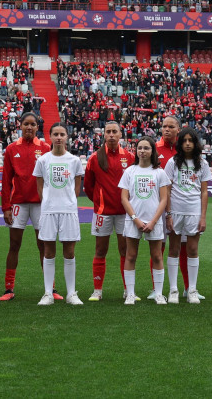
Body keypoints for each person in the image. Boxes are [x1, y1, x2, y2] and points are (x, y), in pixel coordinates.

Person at [1, 112, 57, 302]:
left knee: (44, 245)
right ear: (20, 125)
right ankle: (9, 288)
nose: (29, 127)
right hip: (18, 203)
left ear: (37, 127)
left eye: (33, 124)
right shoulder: (11, 149)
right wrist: (6, 207)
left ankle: (50, 288)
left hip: (40, 204)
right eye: (26, 124)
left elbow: (49, 180)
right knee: (14, 245)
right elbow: (7, 180)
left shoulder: (45, 148)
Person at [33, 123, 85, 306]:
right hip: (48, 210)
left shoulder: (74, 160)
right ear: (50, 137)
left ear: (67, 137)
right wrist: (47, 202)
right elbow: (40, 186)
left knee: (69, 252)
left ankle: (71, 293)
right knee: (48, 251)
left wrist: (68, 201)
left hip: (68, 210)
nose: (59, 137)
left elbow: (76, 187)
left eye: (62, 134)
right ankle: (48, 293)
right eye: (55, 134)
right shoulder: (43, 160)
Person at [83, 122, 135, 301]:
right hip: (102, 213)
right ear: (103, 135)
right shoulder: (95, 158)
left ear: (121, 134)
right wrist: (99, 201)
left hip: (123, 213)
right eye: (108, 132)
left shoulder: (129, 157)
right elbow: (88, 186)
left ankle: (128, 289)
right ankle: (97, 290)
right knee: (100, 250)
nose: (111, 134)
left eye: (115, 131)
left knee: (125, 250)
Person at [120, 137, 172, 305]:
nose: (142, 151)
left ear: (152, 151)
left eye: (146, 148)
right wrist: (135, 219)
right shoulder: (129, 171)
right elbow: (124, 198)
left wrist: (154, 221)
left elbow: (164, 199)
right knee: (131, 255)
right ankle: (130, 294)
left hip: (154, 221)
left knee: (157, 256)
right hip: (133, 221)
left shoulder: (159, 172)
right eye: (140, 148)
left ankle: (158, 293)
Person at [164, 127, 212, 304]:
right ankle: (173, 290)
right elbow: (167, 191)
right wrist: (168, 215)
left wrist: (203, 216)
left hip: (194, 211)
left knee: (192, 249)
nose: (187, 143)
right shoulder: (172, 162)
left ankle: (192, 289)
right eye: (184, 140)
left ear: (195, 143)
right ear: (180, 143)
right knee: (174, 249)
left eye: (190, 140)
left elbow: (205, 192)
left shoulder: (203, 163)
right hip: (175, 211)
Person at [150, 115, 184, 300]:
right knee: (158, 247)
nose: (167, 129)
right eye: (164, 126)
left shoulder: (185, 148)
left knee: (183, 248)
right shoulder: (154, 149)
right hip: (158, 207)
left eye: (171, 126)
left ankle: (187, 288)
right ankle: (157, 289)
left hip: (180, 207)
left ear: (178, 129)